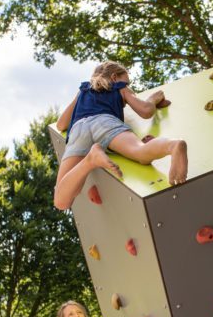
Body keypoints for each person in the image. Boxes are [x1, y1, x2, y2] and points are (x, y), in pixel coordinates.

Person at [53, 61, 188, 210]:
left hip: (78, 130)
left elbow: (61, 124)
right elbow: (145, 111)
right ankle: (173, 145)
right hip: (105, 122)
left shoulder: (83, 90)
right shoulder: (119, 88)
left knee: (61, 202)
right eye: (127, 81)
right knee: (140, 152)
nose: (128, 85)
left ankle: (90, 161)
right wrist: (153, 100)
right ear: (114, 77)